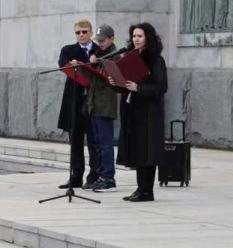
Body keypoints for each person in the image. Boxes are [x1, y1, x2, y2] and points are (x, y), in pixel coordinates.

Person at [109, 23, 168, 202]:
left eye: (140, 36)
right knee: (137, 151)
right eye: (134, 36)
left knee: (147, 152)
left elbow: (160, 88)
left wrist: (138, 87)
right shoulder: (130, 57)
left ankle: (147, 191)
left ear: (148, 38)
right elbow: (126, 86)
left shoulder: (156, 59)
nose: (136, 39)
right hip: (132, 111)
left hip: (149, 113)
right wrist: (116, 82)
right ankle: (140, 188)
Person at [56, 19, 100, 189]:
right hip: (74, 101)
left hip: (92, 101)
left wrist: (92, 62)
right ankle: (76, 176)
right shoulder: (68, 50)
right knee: (75, 141)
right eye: (78, 32)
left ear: (90, 32)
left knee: (93, 140)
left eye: (84, 31)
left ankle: (94, 175)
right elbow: (62, 64)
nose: (81, 35)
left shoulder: (98, 50)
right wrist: (71, 65)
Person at [86, 26, 121, 192]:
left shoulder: (115, 56)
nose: (99, 43)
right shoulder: (99, 55)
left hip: (105, 105)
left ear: (111, 38)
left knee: (106, 143)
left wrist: (99, 63)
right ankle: (99, 175)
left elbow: (115, 78)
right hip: (94, 104)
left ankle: (108, 178)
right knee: (97, 143)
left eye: (103, 40)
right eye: (98, 40)